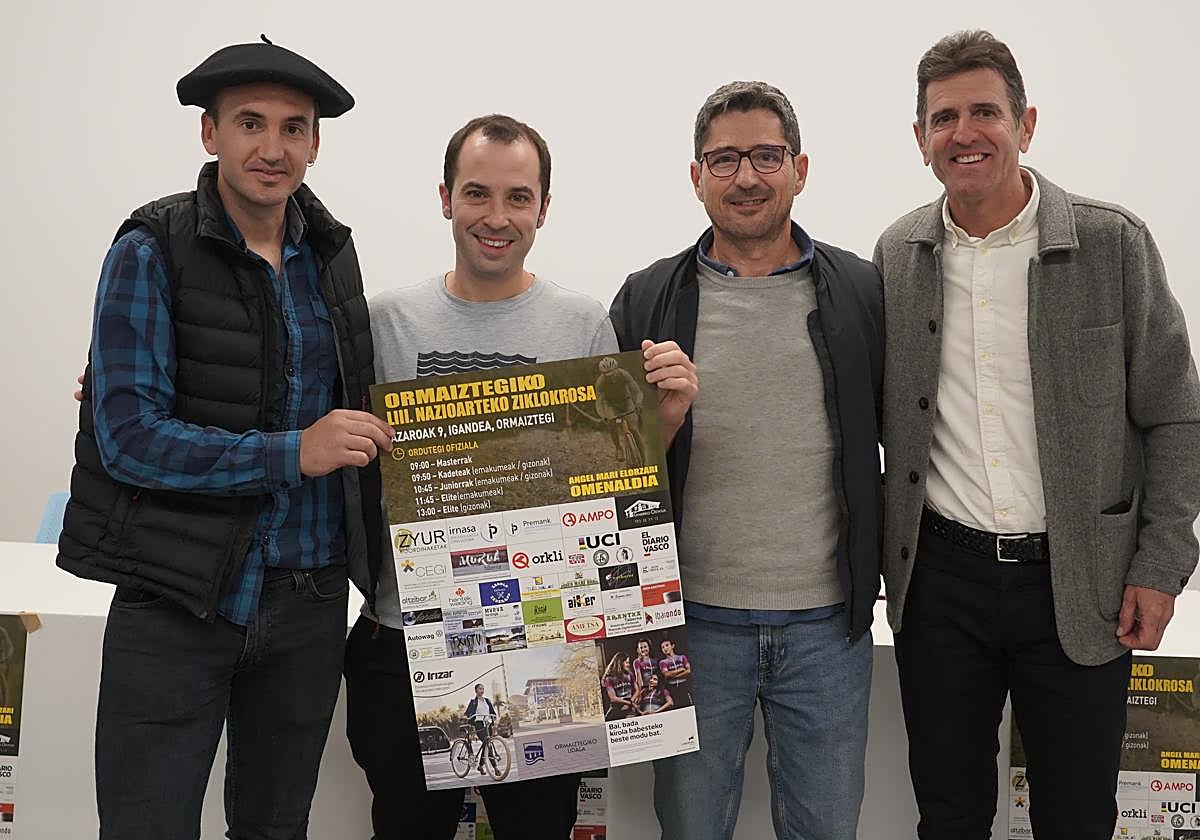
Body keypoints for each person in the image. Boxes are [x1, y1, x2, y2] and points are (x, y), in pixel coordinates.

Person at [55, 38, 392, 839]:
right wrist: (292, 451)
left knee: (276, 828)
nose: (272, 148)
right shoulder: (150, 248)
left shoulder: (332, 257)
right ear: (210, 134)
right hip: (177, 598)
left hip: (310, 600)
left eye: (293, 127)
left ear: (316, 142)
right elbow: (131, 437)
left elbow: (353, 409)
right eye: (250, 123)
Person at [875, 30, 1200, 840]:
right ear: (921, 141)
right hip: (941, 583)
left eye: (985, 110)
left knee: (1076, 818)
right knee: (948, 816)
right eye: (944, 117)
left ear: (1026, 122)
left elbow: (1177, 414)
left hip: (1082, 580)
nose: (965, 132)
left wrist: (1162, 566)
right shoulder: (897, 255)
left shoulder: (1110, 243)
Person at [342, 113, 698, 840]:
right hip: (403, 642)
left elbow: (612, 492)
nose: (496, 218)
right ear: (445, 198)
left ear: (543, 206)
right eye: (477, 194)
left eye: (517, 197)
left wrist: (664, 421)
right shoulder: (384, 322)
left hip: (542, 647)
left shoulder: (581, 325)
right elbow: (317, 433)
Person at [609, 81, 883, 840]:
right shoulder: (645, 299)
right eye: (723, 159)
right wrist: (660, 420)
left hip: (830, 630)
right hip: (691, 626)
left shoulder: (861, 291)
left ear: (800, 168)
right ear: (695, 175)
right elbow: (607, 472)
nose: (747, 177)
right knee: (691, 830)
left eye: (766, 155)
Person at [594, 355, 645, 462]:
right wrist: (603, 415)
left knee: (634, 429)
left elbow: (637, 391)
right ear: (603, 374)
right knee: (611, 423)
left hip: (626, 401)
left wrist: (638, 403)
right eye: (607, 375)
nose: (611, 377)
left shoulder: (624, 374)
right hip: (611, 405)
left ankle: (643, 457)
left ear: (617, 370)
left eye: (613, 374)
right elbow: (599, 402)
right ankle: (618, 448)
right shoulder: (600, 383)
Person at [601, 652, 638, 720]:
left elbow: (637, 690)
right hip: (616, 706)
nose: (628, 665)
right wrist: (628, 703)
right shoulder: (609, 678)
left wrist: (630, 702)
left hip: (629, 704)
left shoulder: (630, 674)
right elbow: (613, 698)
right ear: (620, 663)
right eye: (626, 662)